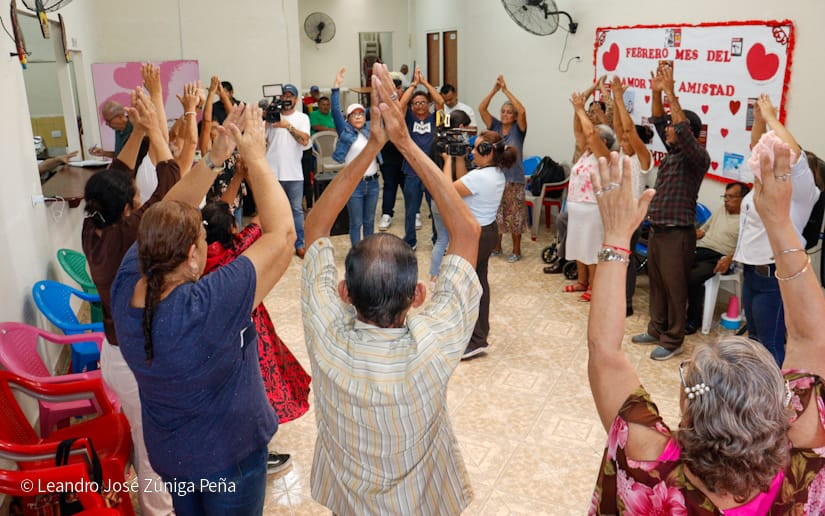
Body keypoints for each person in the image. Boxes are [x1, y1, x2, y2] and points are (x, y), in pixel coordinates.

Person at [587, 142, 825, 514]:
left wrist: (617, 236)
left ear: (688, 411)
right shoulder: (807, 456)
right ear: (782, 411)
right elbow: (811, 337)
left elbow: (604, 350)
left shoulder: (647, 462)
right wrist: (780, 221)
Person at [301, 62, 482, 515]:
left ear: (344, 291)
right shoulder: (433, 343)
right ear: (419, 296)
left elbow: (316, 225)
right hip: (421, 502)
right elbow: (467, 233)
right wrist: (403, 142)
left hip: (348, 502)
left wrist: (373, 147)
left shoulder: (327, 334)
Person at [112, 103, 297, 514]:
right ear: (195, 257)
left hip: (175, 458)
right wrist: (254, 158)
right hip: (228, 461)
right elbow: (283, 235)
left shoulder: (128, 286)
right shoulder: (207, 305)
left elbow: (166, 213)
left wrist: (214, 159)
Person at [82, 87, 178, 515]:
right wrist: (156, 127)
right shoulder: (129, 235)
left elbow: (117, 172)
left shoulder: (93, 227)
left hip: (113, 350)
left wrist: (139, 129)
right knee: (150, 440)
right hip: (131, 356)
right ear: (128, 208)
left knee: (147, 435)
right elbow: (171, 182)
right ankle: (158, 509)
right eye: (134, 199)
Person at [201, 199, 311, 475]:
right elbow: (266, 219)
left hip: (214, 339)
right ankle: (258, 453)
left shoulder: (196, 260)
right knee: (260, 388)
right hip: (250, 334)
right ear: (233, 227)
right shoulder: (241, 251)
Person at [733, 94, 821, 366]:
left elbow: (794, 155)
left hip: (773, 276)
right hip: (751, 271)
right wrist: (759, 121)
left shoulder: (802, 194)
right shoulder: (766, 186)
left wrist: (772, 117)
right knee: (756, 342)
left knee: (770, 345)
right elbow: (754, 148)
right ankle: (761, 398)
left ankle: (777, 405)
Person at [631, 63, 710, 360]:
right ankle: (656, 328)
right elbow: (657, 118)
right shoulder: (675, 152)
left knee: (676, 289)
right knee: (657, 283)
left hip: (678, 234)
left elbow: (677, 125)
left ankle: (674, 339)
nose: (666, 130)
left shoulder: (697, 158)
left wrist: (671, 93)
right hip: (659, 230)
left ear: (686, 132)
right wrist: (656, 93)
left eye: (673, 128)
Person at [455, 131, 511, 359]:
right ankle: (476, 334)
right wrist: (459, 160)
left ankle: (477, 339)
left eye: (475, 148)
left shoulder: (481, 177)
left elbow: (449, 189)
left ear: (487, 152)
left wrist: (449, 160)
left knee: (468, 285)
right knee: (479, 283)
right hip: (487, 232)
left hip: (475, 235)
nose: (471, 152)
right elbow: (463, 183)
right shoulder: (493, 172)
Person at [563, 91, 617, 301]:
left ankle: (594, 287)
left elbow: (591, 135)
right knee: (578, 246)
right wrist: (578, 108)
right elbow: (579, 130)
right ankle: (582, 281)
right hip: (577, 207)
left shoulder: (606, 157)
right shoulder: (586, 154)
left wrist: (580, 109)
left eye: (591, 136)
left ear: (603, 140)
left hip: (593, 209)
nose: (586, 138)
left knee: (592, 248)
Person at [611, 76, 654, 316]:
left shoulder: (643, 158)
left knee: (625, 258)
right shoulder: (624, 154)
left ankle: (625, 302)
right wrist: (616, 100)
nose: (622, 140)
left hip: (632, 215)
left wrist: (619, 98)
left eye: (628, 139)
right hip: (617, 213)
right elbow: (620, 127)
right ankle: (614, 295)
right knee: (615, 256)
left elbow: (627, 128)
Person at [684, 181, 748, 335]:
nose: (726, 200)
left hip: (720, 256)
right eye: (725, 196)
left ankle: (693, 319)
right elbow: (702, 231)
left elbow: (743, 247)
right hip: (701, 249)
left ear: (743, 199)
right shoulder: (721, 210)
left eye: (731, 197)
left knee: (693, 277)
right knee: (675, 266)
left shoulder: (747, 219)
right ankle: (674, 314)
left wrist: (729, 259)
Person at [479, 75, 528, 262]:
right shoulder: (495, 127)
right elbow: (482, 108)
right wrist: (494, 90)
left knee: (515, 216)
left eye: (509, 112)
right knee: (496, 214)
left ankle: (516, 250)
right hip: (496, 178)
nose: (505, 114)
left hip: (514, 179)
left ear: (514, 117)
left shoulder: (519, 129)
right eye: (503, 111)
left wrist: (506, 90)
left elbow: (522, 111)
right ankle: (497, 246)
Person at [330, 66, 381, 246]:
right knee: (356, 223)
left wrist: (378, 87)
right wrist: (336, 86)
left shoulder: (370, 129)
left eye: (361, 114)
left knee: (369, 223)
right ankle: (356, 254)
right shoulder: (345, 131)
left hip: (373, 182)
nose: (358, 117)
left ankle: (368, 253)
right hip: (354, 183)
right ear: (348, 119)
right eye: (354, 115)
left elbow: (376, 109)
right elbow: (336, 111)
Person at [398, 65, 444, 249]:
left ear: (428, 105)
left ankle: (437, 240)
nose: (420, 105)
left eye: (423, 102)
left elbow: (440, 102)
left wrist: (424, 82)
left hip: (432, 170)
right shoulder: (408, 119)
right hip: (412, 171)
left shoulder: (436, 120)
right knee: (411, 210)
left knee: (436, 209)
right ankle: (410, 241)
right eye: (416, 103)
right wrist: (413, 85)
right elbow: (400, 105)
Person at [265, 83, 310, 258]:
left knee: (296, 210)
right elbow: (262, 139)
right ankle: (275, 247)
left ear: (296, 99)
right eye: (284, 95)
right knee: (272, 211)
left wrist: (287, 126)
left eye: (291, 96)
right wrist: (265, 117)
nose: (287, 99)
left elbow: (304, 141)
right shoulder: (271, 118)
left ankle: (299, 244)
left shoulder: (302, 118)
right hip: (272, 173)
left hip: (294, 173)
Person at [429, 109, 473, 284]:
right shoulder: (456, 149)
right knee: (453, 238)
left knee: (441, 238)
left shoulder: (437, 143)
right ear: (461, 127)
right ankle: (449, 276)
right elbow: (461, 178)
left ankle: (433, 276)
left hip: (436, 197)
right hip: (452, 198)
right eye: (467, 130)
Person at [377, 77, 406, 231]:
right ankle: (387, 214)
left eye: (397, 89)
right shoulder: (382, 107)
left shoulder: (410, 106)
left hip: (406, 154)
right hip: (388, 153)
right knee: (389, 184)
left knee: (409, 185)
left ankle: (413, 214)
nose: (394, 93)